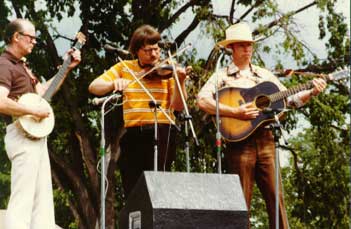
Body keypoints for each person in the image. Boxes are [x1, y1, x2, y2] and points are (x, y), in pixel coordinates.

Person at [197, 22, 326, 229]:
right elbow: (202, 100)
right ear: (231, 48)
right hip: (239, 143)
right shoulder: (220, 76)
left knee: (276, 198)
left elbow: (289, 100)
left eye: (249, 45)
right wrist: (235, 112)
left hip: (267, 140)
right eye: (242, 46)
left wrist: (312, 92)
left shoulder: (265, 75)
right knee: (240, 202)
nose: (247, 49)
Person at [89, 24, 189, 198]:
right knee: (134, 190)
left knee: (159, 190)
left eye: (157, 49)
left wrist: (180, 81)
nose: (154, 54)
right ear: (136, 51)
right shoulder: (125, 68)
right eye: (148, 50)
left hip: (163, 131)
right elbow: (94, 87)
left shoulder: (168, 70)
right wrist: (113, 84)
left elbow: (178, 107)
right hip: (134, 134)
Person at [0, 19, 81, 228]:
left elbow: (43, 93)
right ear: (16, 37)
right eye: (31, 38)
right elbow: (0, 101)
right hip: (21, 135)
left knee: (42, 202)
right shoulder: (4, 63)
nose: (35, 42)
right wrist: (32, 110)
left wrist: (66, 68)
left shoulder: (22, 66)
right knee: (23, 201)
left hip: (35, 136)